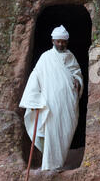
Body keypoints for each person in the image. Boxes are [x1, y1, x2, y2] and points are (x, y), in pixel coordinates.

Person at [19, 25, 83, 171]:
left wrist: (77, 81)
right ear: (53, 41)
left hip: (68, 103)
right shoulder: (46, 58)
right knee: (51, 132)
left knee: (65, 131)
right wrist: (33, 99)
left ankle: (59, 162)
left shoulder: (71, 57)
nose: (60, 44)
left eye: (63, 41)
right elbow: (35, 77)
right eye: (58, 41)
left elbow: (77, 74)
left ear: (67, 42)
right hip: (51, 103)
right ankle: (50, 165)